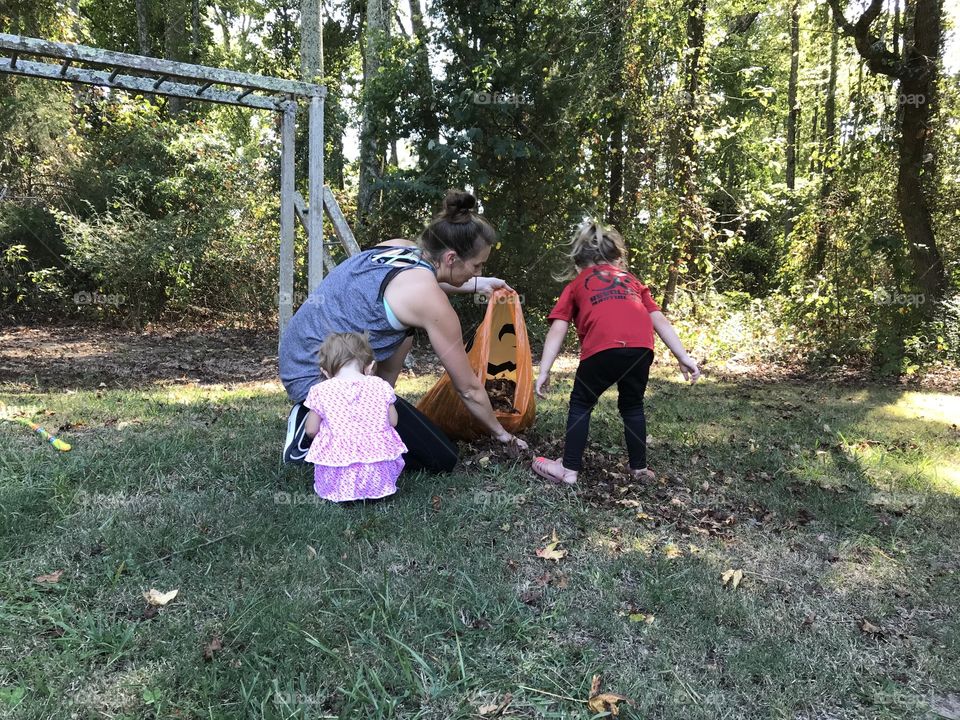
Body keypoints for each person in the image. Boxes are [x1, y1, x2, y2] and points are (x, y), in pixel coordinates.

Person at [280, 190, 528, 472]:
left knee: (404, 335)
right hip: (318, 376)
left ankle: (347, 415)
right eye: (477, 266)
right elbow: (468, 388)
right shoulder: (431, 301)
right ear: (450, 258)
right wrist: (502, 435)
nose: (478, 271)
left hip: (300, 352)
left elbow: (417, 285)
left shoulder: (401, 248)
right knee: (441, 458)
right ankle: (310, 424)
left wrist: (478, 284)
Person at [532, 220, 700, 485]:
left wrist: (544, 370)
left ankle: (568, 469)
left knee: (581, 403)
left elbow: (558, 328)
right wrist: (683, 356)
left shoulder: (576, 285)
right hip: (641, 350)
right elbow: (658, 319)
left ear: (578, 265)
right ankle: (639, 469)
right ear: (617, 260)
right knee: (632, 405)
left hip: (603, 348)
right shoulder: (632, 281)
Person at [304, 332, 406, 502]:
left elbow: (311, 430)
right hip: (378, 477)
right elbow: (393, 421)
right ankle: (376, 490)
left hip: (337, 476)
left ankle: (342, 492)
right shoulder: (380, 386)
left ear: (325, 372)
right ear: (370, 366)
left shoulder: (320, 391)